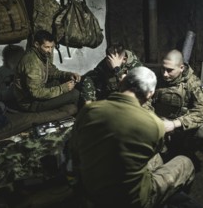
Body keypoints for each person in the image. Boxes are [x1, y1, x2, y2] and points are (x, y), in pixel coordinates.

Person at [70, 67, 195, 208]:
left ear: (122, 82)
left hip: (92, 193)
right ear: (150, 94)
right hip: (130, 202)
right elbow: (154, 150)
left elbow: (74, 149)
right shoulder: (155, 125)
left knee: (156, 160)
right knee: (185, 163)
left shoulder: (88, 110)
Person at [152, 49, 203, 156]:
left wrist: (175, 124)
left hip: (182, 127)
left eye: (170, 70)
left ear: (181, 68)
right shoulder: (156, 78)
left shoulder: (192, 83)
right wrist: (158, 120)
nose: (165, 74)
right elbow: (145, 101)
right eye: (163, 69)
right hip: (160, 123)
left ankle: (188, 150)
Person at [13, 30, 81, 112]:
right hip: (30, 103)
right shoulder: (32, 63)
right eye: (47, 47)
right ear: (36, 44)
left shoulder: (41, 55)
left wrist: (69, 75)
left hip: (40, 91)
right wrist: (62, 89)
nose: (50, 50)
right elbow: (36, 92)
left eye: (52, 47)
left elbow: (53, 72)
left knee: (70, 82)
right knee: (75, 94)